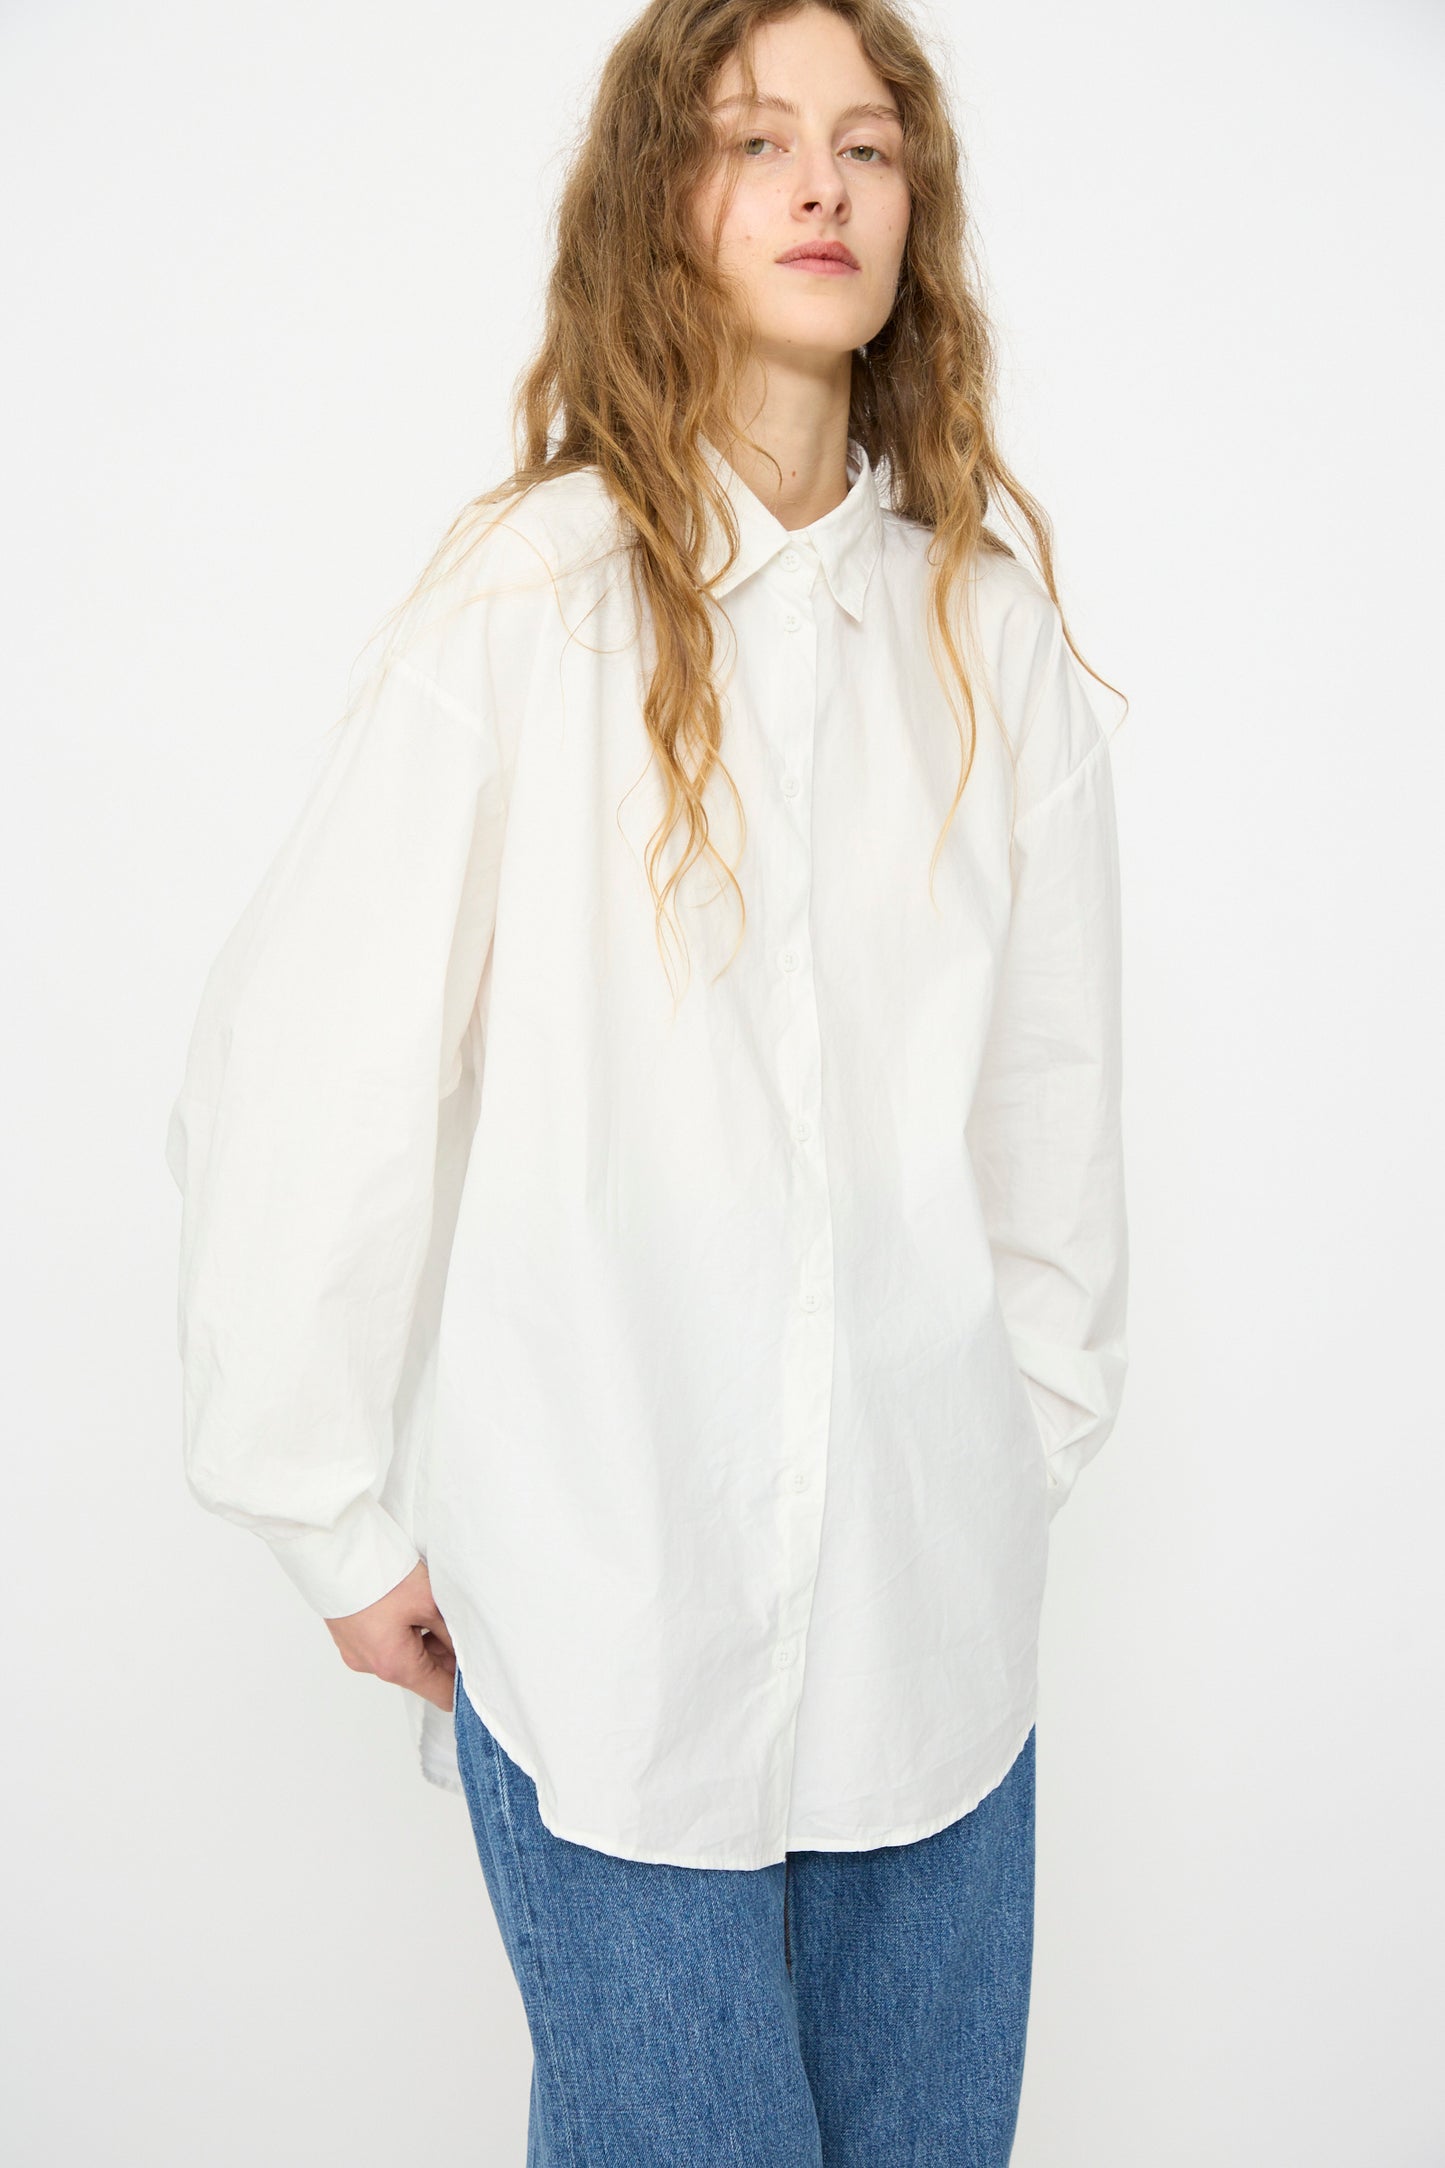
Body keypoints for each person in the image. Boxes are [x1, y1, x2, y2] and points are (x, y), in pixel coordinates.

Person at [165, 0, 1129, 2159]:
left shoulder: (990, 643)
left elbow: (1052, 1155)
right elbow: (305, 1069)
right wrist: (324, 1505)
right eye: (754, 137)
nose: (818, 183)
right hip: (607, 1639)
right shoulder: (526, 613)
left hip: (939, 1672)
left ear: (914, 213)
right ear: (657, 207)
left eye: (867, 146)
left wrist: (983, 1473)